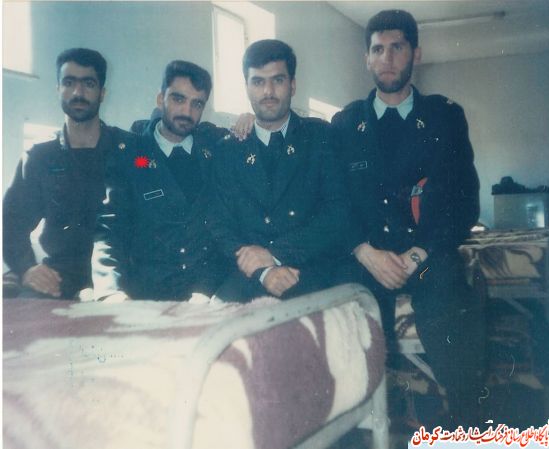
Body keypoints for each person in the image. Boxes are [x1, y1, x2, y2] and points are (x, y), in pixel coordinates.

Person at [330, 10, 484, 427]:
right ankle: (361, 427)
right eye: (378, 49)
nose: (387, 58)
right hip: (367, 260)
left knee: (452, 305)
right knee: (346, 331)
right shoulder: (345, 124)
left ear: (416, 54)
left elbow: (464, 202)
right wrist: (365, 252)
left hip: (426, 256)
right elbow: (336, 203)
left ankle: (467, 421)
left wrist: (419, 253)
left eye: (397, 47)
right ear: (366, 58)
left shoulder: (444, 116)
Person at [208, 39, 352, 301]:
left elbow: (337, 214)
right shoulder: (227, 150)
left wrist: (275, 254)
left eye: (278, 80)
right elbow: (219, 224)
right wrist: (264, 271)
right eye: (258, 82)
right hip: (250, 275)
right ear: (247, 87)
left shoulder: (321, 138)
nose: (268, 91)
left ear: (293, 85)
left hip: (309, 270)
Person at [92, 61, 231, 301]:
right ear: (160, 99)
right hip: (148, 296)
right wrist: (110, 291)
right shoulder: (132, 155)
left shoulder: (214, 150)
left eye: (197, 104)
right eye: (178, 99)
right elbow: (110, 230)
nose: (187, 111)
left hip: (209, 294)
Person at [3, 48, 135, 299]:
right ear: (58, 89)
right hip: (58, 282)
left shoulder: (129, 150)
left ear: (102, 93)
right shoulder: (40, 157)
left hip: (120, 281)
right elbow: (11, 222)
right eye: (69, 83)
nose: (78, 93)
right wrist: (26, 268)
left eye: (88, 84)